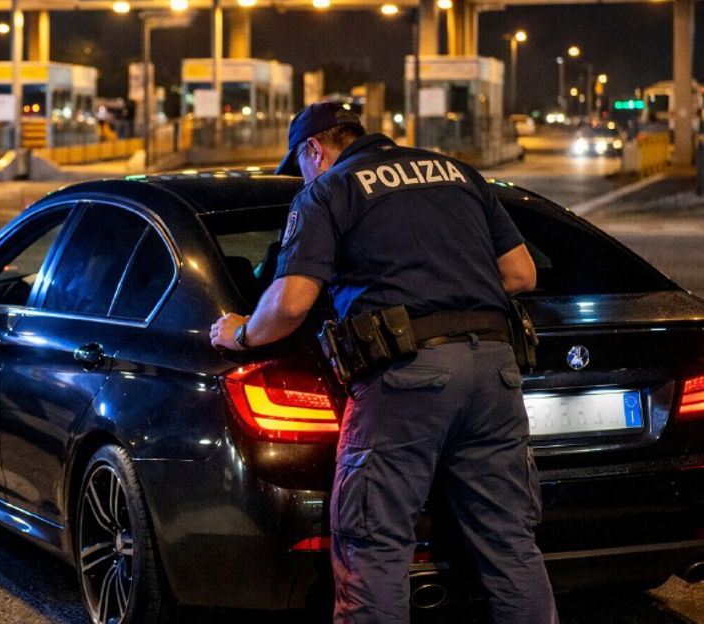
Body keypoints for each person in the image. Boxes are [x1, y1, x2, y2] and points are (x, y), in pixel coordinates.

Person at [210, 102, 556, 623]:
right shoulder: (458, 172)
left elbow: (291, 303)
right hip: (494, 372)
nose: (302, 175)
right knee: (509, 542)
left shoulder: (328, 190)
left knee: (372, 544)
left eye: (301, 165)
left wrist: (239, 332)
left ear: (314, 149)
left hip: (406, 380)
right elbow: (522, 274)